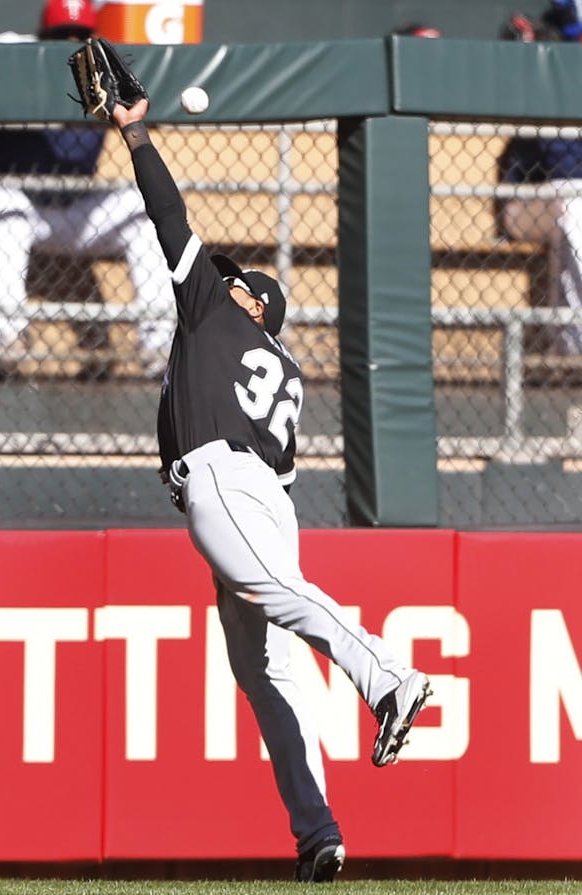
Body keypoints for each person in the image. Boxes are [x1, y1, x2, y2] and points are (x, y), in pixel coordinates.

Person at [99, 84, 433, 880]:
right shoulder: (285, 368)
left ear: (254, 304)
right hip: (266, 494)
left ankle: (390, 677)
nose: (220, 282)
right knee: (264, 673)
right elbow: (279, 467)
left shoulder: (216, 312)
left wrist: (138, 138)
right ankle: (317, 831)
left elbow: (168, 218)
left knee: (279, 592)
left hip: (225, 479)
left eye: (236, 282)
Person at [0, 0, 172, 374]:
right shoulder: (20, 59)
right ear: (42, 37)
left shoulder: (102, 76)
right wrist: (28, 56)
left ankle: (158, 345)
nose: (70, 44)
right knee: (10, 207)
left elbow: (157, 88)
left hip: (63, 208)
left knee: (139, 208)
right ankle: (5, 338)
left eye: (78, 36)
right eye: (60, 36)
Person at [496, 5, 582, 354]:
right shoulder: (545, 80)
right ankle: (574, 345)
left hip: (569, 194)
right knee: (576, 209)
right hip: (525, 205)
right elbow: (561, 164)